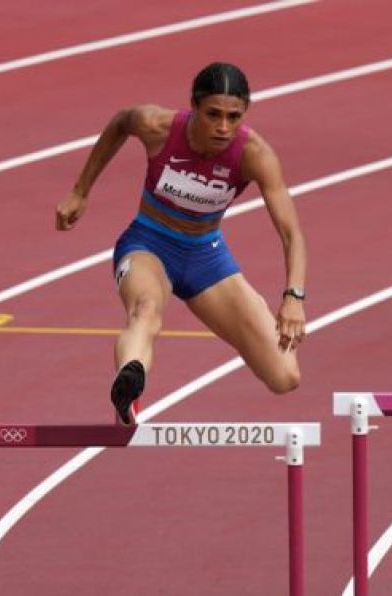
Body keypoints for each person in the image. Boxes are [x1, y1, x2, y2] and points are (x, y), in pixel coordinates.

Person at [56, 62, 306, 425]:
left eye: (234, 117)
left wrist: (294, 297)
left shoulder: (254, 154)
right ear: (193, 106)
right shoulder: (157, 126)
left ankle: (131, 382)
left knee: (285, 376)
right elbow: (121, 122)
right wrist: (80, 191)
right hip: (148, 245)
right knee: (145, 310)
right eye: (213, 115)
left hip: (206, 257)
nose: (223, 127)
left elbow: (292, 234)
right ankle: (129, 387)